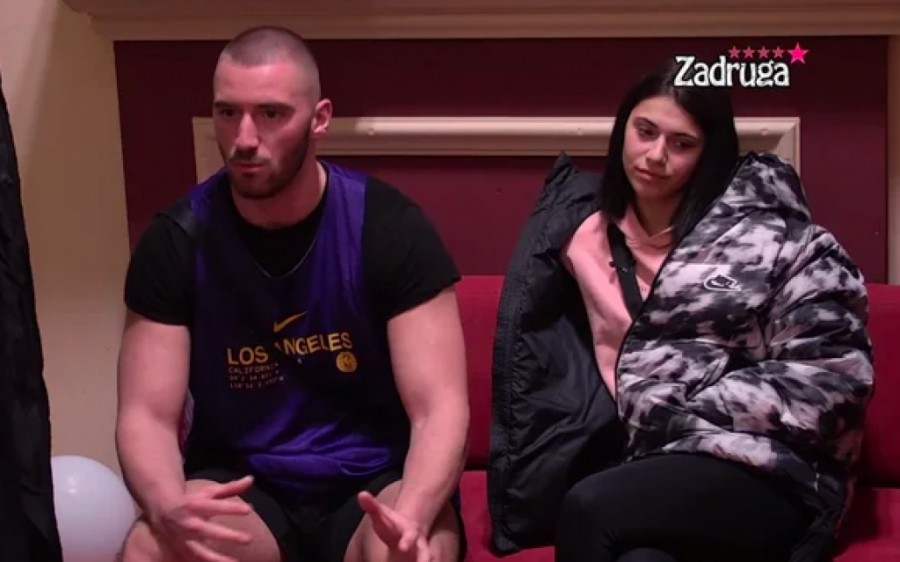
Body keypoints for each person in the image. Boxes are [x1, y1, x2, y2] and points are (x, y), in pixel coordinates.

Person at [487, 61, 874, 562]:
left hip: (776, 472)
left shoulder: (786, 244)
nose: (655, 156)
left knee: (589, 507)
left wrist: (684, 414)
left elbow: (834, 379)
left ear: (710, 153)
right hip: (652, 464)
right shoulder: (577, 236)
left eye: (682, 143)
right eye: (645, 131)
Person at [115, 25, 469, 562]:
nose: (244, 138)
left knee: (412, 551)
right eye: (228, 112)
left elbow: (440, 409)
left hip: (374, 481)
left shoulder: (389, 227)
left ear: (319, 119)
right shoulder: (176, 240)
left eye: (271, 114)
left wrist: (413, 517)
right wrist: (167, 506)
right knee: (150, 547)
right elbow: (146, 416)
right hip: (242, 483)